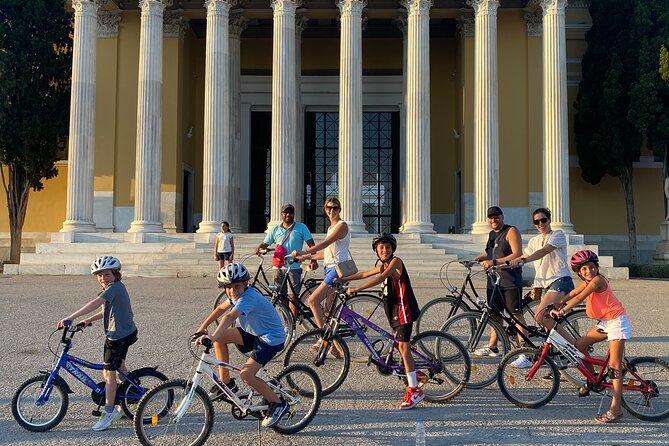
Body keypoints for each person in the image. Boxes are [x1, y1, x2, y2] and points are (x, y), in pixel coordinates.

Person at [194, 263, 288, 428]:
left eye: (236, 286)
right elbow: (220, 309)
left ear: (246, 283)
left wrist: (212, 335)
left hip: (270, 339)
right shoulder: (235, 296)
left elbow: (230, 317)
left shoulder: (248, 297)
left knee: (247, 375)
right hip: (255, 333)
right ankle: (227, 383)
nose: (232, 291)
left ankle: (279, 403)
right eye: (228, 287)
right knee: (220, 339)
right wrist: (202, 328)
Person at [343, 233, 424, 410]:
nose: (385, 250)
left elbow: (380, 278)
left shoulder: (396, 262)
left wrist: (356, 289)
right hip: (393, 312)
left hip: (404, 310)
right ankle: (413, 371)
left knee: (403, 348)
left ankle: (415, 390)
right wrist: (341, 279)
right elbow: (364, 273)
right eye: (381, 248)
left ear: (393, 249)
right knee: (398, 346)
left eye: (387, 247)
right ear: (376, 251)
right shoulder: (382, 265)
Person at [57, 255, 138, 432]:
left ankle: (108, 413)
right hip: (123, 333)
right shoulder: (113, 288)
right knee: (118, 367)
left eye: (107, 274)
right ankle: (129, 394)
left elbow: (96, 303)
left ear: (116, 274)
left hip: (118, 337)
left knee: (109, 374)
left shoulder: (113, 288)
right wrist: (87, 321)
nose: (103, 278)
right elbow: (104, 310)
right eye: (99, 275)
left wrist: (71, 317)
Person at [550, 250, 631, 424]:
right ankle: (594, 380)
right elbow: (573, 294)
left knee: (614, 366)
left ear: (596, 267)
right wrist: (558, 301)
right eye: (584, 269)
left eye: (592, 267)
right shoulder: (587, 281)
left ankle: (616, 409)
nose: (589, 271)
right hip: (605, 323)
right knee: (580, 345)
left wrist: (562, 310)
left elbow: (580, 297)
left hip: (617, 322)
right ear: (578, 271)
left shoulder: (597, 280)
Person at [509, 207, 575, 367]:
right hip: (544, 283)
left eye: (543, 220)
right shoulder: (534, 241)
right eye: (536, 221)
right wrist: (501, 264)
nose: (540, 224)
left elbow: (544, 251)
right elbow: (524, 255)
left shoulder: (557, 235)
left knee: (540, 317)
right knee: (548, 324)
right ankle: (559, 359)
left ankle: (575, 346)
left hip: (560, 280)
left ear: (549, 220)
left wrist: (524, 261)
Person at [473, 206, 528, 359]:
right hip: (494, 281)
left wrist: (495, 261)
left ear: (502, 217)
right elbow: (488, 252)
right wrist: (475, 259)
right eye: (491, 218)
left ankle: (524, 352)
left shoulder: (511, 231)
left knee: (516, 314)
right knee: (495, 315)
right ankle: (493, 347)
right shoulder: (491, 234)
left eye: (497, 217)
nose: (494, 220)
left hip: (510, 279)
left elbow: (517, 253)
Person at [291, 197, 350, 330]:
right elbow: (327, 253)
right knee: (328, 311)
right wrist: (306, 257)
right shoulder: (331, 227)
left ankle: (323, 338)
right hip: (330, 268)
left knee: (312, 301)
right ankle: (333, 345)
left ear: (340, 210)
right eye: (329, 208)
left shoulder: (341, 226)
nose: (331, 210)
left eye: (335, 208)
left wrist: (303, 251)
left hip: (337, 269)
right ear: (325, 209)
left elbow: (325, 244)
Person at [255, 203, 318, 317]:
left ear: (294, 214)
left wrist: (313, 260)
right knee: (280, 296)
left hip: (294, 266)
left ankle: (292, 326)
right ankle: (287, 323)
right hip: (278, 266)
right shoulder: (275, 229)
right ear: (281, 214)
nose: (288, 215)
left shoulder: (301, 227)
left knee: (293, 296)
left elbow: (311, 245)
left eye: (290, 212)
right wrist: (259, 248)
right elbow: (266, 243)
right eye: (286, 212)